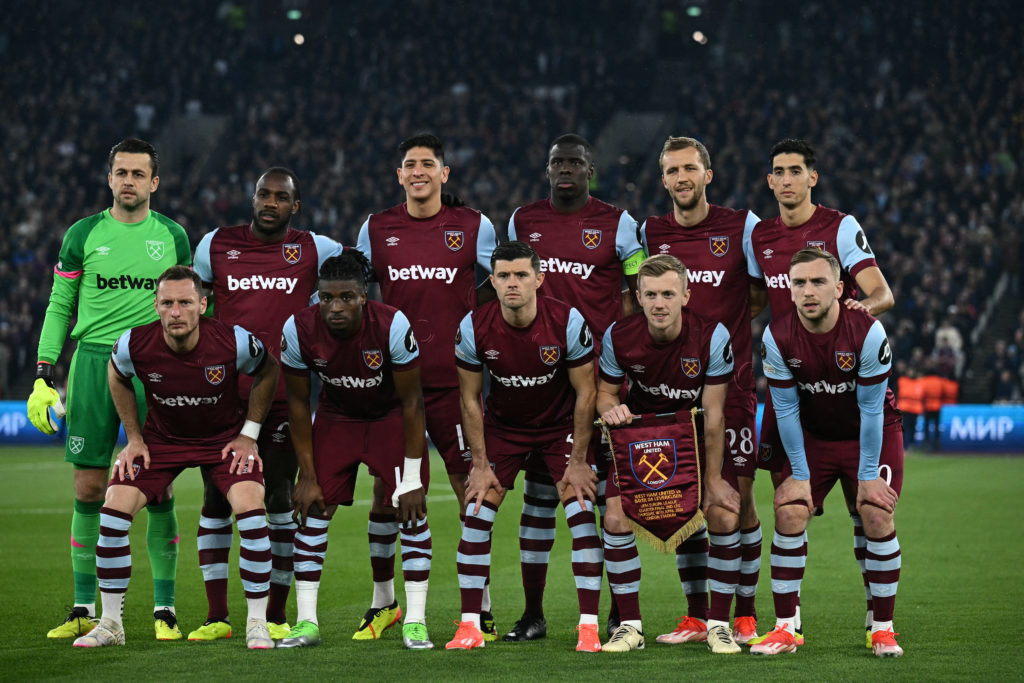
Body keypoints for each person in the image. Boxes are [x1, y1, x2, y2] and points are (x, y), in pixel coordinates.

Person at [27, 138, 191, 640]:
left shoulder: (173, 237)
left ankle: (164, 611)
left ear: (154, 182)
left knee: (157, 489)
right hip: (94, 363)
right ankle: (83, 607)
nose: (128, 181)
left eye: (138, 174)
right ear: (109, 178)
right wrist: (43, 370)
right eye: (121, 172)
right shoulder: (82, 235)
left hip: (154, 365)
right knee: (89, 489)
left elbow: (188, 305)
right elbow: (60, 304)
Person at [72, 266, 280, 649]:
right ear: (155, 305)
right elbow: (116, 375)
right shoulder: (133, 344)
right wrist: (133, 438)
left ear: (202, 304)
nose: (176, 312)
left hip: (222, 443)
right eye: (167, 303)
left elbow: (269, 369)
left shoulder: (233, 341)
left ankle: (257, 622)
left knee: (252, 513)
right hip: (161, 443)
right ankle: (112, 623)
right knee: (112, 514)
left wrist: (249, 435)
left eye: (185, 302)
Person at [749, 138, 895, 644]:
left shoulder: (841, 227)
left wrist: (859, 321)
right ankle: (787, 625)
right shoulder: (759, 235)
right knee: (790, 507)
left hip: (846, 378)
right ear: (769, 181)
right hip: (796, 390)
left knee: (869, 511)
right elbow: (746, 301)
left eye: (796, 170)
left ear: (812, 177)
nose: (786, 179)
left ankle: (881, 618)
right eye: (778, 172)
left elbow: (882, 293)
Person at [191, 167, 343, 641]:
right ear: (252, 197)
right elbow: (188, 304)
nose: (270, 203)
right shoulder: (214, 245)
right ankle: (217, 616)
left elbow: (363, 273)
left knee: (277, 496)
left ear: (295, 206)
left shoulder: (316, 248)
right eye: (263, 194)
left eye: (281, 197)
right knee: (216, 496)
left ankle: (275, 614)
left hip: (282, 400)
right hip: (219, 397)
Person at [356, 133, 498, 640]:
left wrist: (472, 324)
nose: (418, 171)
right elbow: (356, 292)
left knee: (471, 487)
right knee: (384, 489)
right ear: (399, 175)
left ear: (444, 173)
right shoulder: (375, 228)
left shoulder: (473, 226)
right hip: (393, 384)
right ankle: (384, 602)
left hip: (453, 383)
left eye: (428, 164)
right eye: (409, 164)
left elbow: (501, 279)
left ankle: (479, 606)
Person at [504, 133, 644, 641]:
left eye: (575, 162)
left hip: (599, 377)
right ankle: (533, 613)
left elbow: (636, 291)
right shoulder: (524, 220)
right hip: (541, 381)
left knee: (605, 496)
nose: (565, 169)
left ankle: (615, 612)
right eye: (557, 162)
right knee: (540, 498)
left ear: (591, 170)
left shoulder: (619, 223)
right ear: (547, 169)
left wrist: (617, 351)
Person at [446, 241, 603, 652]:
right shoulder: (472, 327)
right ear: (493, 281)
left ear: (539, 278)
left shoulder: (567, 322)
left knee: (581, 508)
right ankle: (469, 625)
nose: (512, 283)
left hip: (559, 428)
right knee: (477, 511)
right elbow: (469, 398)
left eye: (520, 275)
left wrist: (580, 459)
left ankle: (588, 627)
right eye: (503, 276)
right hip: (506, 428)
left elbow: (586, 393)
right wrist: (479, 464)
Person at [640, 137, 764, 646]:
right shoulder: (651, 232)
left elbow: (758, 294)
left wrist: (720, 337)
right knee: (683, 505)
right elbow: (639, 299)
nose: (682, 177)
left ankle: (747, 612)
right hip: (672, 395)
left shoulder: (742, 227)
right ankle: (696, 616)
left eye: (691, 168)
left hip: (731, 390)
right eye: (673, 170)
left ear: (707, 174)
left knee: (739, 501)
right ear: (664, 179)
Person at [278, 251, 432, 649]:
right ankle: (306, 622)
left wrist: (412, 477)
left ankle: (415, 621)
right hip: (337, 417)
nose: (336, 306)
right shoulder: (297, 329)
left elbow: (413, 401)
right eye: (327, 298)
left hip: (390, 418)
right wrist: (307, 476)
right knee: (311, 510)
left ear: (364, 296)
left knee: (411, 513)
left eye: (346, 297)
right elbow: (297, 404)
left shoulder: (393, 324)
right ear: (317, 298)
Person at [596, 254, 740, 654]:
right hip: (641, 440)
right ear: (638, 297)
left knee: (724, 514)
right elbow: (605, 392)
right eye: (651, 294)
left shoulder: (712, 336)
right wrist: (610, 407)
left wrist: (711, 482)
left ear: (685, 296)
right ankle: (629, 626)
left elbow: (713, 416)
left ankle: (717, 624)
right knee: (615, 517)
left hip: (694, 437)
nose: (659, 303)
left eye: (668, 294)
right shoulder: (618, 336)